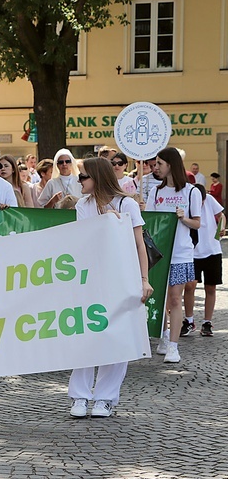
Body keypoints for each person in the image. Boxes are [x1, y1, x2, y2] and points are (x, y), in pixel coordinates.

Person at [68, 157, 153, 418]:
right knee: (85, 335)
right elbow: (85, 241)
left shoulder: (126, 203)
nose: (79, 181)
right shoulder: (83, 205)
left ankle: (105, 397)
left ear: (97, 177)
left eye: (83, 177)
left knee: (118, 335)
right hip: (92, 279)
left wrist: (143, 279)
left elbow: (139, 244)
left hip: (123, 277)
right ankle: (80, 396)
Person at [146, 147, 201, 363]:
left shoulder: (191, 192)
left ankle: (174, 346)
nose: (156, 167)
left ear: (171, 164)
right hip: (158, 253)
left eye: (159, 163)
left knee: (175, 298)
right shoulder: (156, 192)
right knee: (160, 298)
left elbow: (197, 222)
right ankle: (164, 334)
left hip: (180, 253)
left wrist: (183, 218)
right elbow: (149, 222)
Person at [182, 184, 224, 337]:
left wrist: (221, 228)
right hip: (192, 251)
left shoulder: (210, 200)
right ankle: (189, 320)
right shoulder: (187, 202)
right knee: (190, 285)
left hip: (212, 250)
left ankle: (207, 322)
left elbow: (221, 215)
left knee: (211, 287)